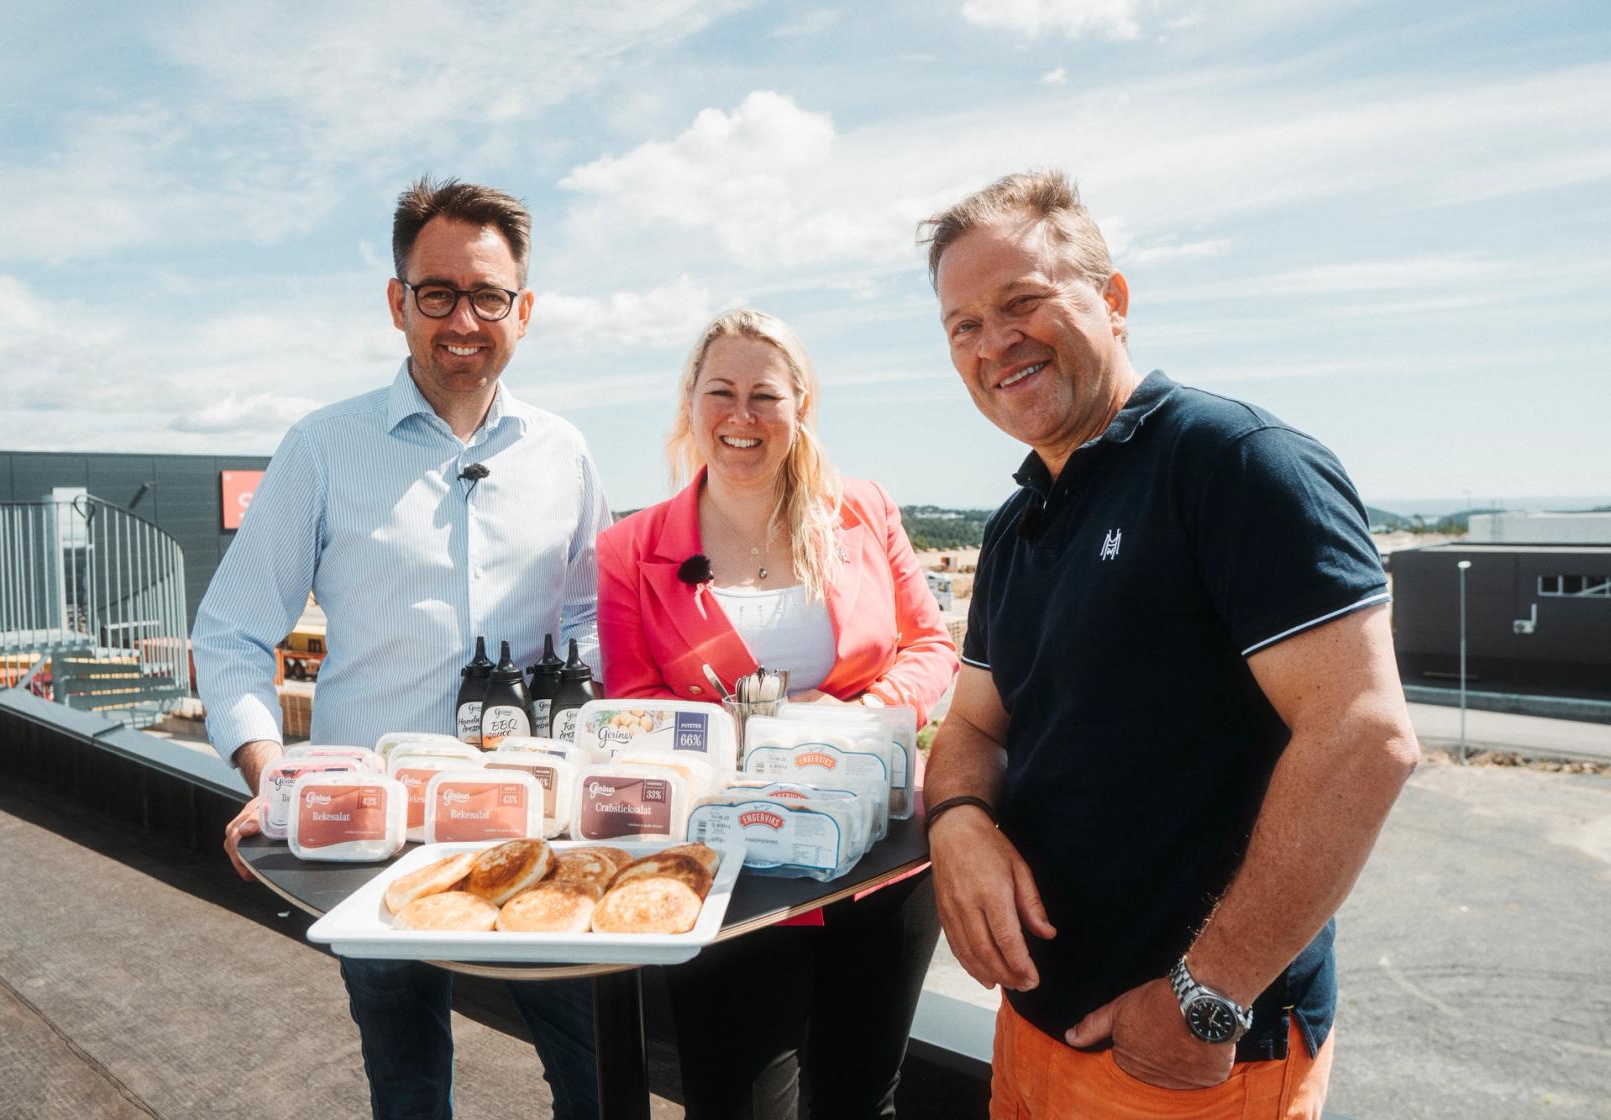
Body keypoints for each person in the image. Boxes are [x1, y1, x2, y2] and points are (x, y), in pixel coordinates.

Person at [917, 170, 1420, 1119]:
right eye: (964, 325)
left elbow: (1364, 736)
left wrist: (1206, 999)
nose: (994, 342)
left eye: (1021, 302)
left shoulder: (1235, 463)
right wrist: (960, 822)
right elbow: (975, 726)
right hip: (1033, 1027)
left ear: (1112, 299)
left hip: (1190, 1057)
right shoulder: (1017, 524)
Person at [194, 176, 609, 1120]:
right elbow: (230, 632)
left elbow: (592, 620)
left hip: (534, 829)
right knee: (409, 1091)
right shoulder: (322, 448)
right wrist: (269, 774)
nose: (464, 320)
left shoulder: (565, 452)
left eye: (489, 296)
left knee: (595, 1084)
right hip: (368, 836)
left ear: (524, 311)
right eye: (438, 293)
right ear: (397, 302)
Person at [595, 308, 959, 1118]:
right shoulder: (629, 550)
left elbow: (930, 646)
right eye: (721, 392)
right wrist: (762, 737)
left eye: (765, 395)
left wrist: (858, 717)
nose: (743, 415)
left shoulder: (863, 511)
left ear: (801, 406)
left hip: (882, 855)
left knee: (862, 1099)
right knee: (737, 1103)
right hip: (731, 861)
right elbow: (632, 704)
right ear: (690, 404)